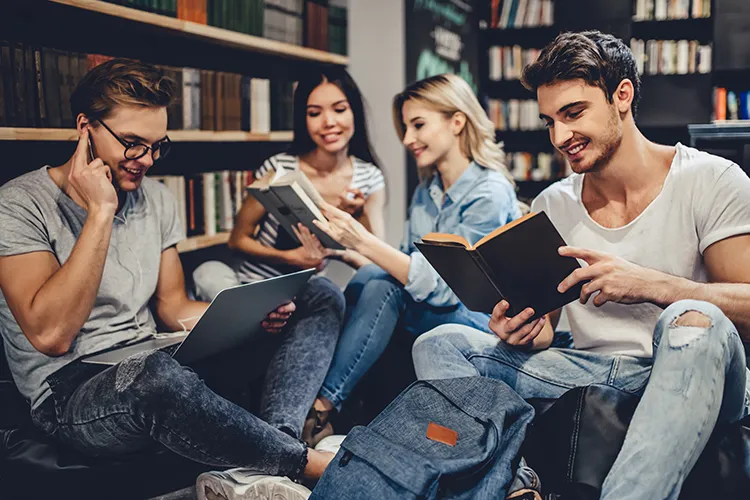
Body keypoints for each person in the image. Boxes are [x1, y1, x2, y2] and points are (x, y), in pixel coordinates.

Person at [412, 31, 750, 499]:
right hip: (590, 366)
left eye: (574, 114)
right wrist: (526, 328)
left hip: (691, 364)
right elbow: (548, 328)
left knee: (691, 320)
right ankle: (513, 486)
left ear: (622, 96)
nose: (559, 137)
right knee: (441, 343)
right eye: (550, 120)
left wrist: (651, 284)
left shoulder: (711, 179)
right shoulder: (552, 204)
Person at [0, 59, 343, 500]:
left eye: (157, 146)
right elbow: (52, 334)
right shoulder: (18, 205)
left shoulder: (157, 199)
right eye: (132, 144)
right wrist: (101, 212)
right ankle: (304, 464)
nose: (145, 160)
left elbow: (174, 307)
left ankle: (271, 448)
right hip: (72, 390)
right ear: (85, 128)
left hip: (157, 353)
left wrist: (253, 315)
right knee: (155, 376)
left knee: (318, 295)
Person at [309, 73, 523, 435]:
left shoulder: (489, 192)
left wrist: (363, 241)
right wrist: (354, 252)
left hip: (480, 323)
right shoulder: (427, 192)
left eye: (418, 125)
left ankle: (320, 409)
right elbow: (409, 266)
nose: (408, 139)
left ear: (457, 121)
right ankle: (324, 405)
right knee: (366, 279)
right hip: (434, 310)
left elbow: (443, 287)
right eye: (405, 127)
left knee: (378, 285)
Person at [192, 67, 386, 301]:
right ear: (303, 120)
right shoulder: (278, 167)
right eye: (314, 113)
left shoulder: (369, 177)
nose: (329, 122)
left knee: (332, 296)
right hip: (255, 284)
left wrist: (359, 214)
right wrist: (290, 257)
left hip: (311, 293)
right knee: (208, 274)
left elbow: (375, 258)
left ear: (354, 111)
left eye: (340, 109)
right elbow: (237, 240)